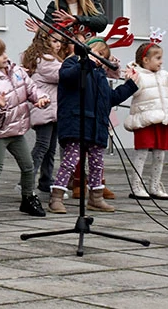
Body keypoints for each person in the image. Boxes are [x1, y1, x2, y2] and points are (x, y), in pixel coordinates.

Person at [49, 36, 138, 213]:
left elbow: (109, 99)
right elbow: (69, 77)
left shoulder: (100, 76)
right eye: (98, 53)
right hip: (77, 122)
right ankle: (56, 197)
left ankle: (96, 198)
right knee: (70, 161)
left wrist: (129, 85)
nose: (101, 58)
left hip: (96, 125)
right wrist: (87, 62)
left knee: (98, 164)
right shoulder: (72, 64)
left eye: (104, 55)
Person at [0, 36, 50, 219]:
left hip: (18, 130)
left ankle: (28, 198)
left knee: (28, 166)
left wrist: (41, 98)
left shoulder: (17, 72)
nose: (5, 56)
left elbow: (32, 89)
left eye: (4, 51)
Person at [124, 31, 168, 200]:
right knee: (142, 153)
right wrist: (132, 78)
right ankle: (136, 185)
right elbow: (134, 88)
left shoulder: (164, 75)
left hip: (163, 119)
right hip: (144, 119)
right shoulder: (139, 75)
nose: (162, 62)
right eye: (158, 58)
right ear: (145, 60)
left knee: (160, 154)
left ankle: (154, 184)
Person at [20, 28, 68, 196]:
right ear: (45, 42)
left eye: (60, 41)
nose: (59, 44)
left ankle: (46, 180)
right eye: (55, 41)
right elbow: (63, 74)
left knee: (50, 148)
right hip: (45, 109)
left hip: (52, 110)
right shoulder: (45, 59)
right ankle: (26, 180)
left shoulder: (47, 58)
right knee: (42, 146)